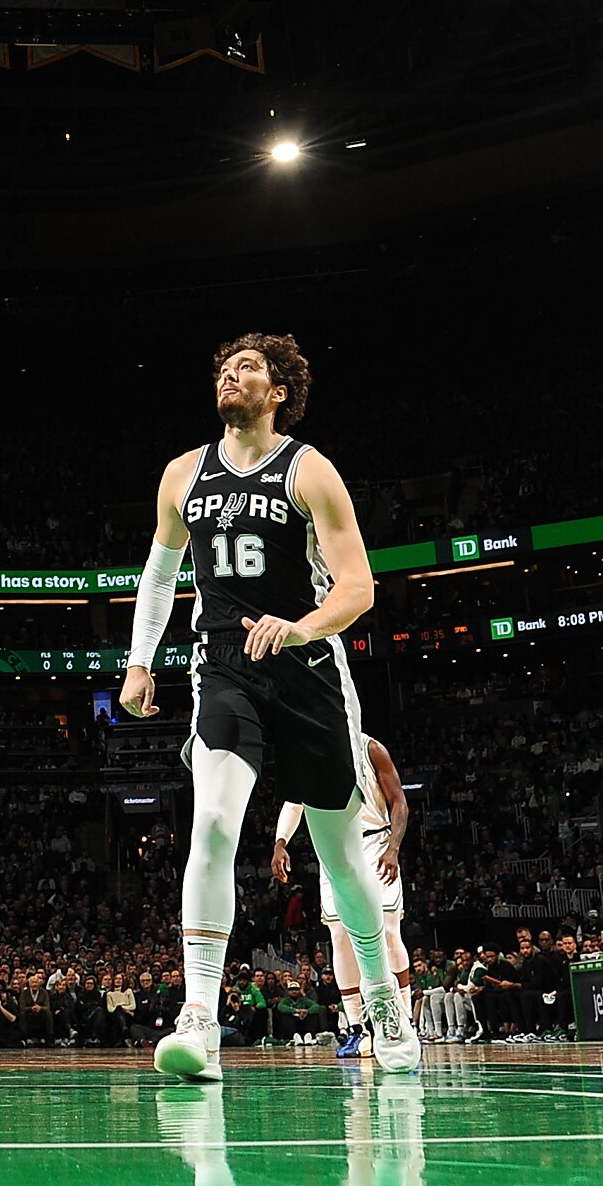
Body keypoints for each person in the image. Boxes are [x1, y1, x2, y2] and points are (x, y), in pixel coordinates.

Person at [120, 333, 418, 1080]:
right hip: (222, 667)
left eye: (247, 368)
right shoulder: (182, 474)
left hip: (308, 670)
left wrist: (301, 627)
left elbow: (358, 586)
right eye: (223, 367)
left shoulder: (309, 470)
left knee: (344, 863)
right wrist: (139, 660)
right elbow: (159, 576)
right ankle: (199, 1019)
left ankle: (385, 1003)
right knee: (215, 822)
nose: (230, 375)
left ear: (278, 390)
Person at [269, 728, 410, 1059]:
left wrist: (394, 848)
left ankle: (403, 1019)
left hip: (376, 844)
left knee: (388, 932)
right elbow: (295, 802)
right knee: (340, 936)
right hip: (334, 851)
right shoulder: (309, 747)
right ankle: (357, 1027)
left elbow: (399, 802)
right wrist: (280, 842)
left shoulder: (371, 748)